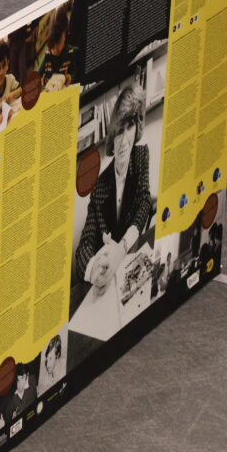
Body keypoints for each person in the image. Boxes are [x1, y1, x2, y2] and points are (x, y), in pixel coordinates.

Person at [72, 84, 152, 313]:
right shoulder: (100, 186)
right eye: (118, 131)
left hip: (128, 267)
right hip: (106, 278)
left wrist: (122, 247)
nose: (124, 140)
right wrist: (95, 268)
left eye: (129, 127)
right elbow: (84, 244)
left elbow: (145, 201)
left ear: (136, 128)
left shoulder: (141, 157)